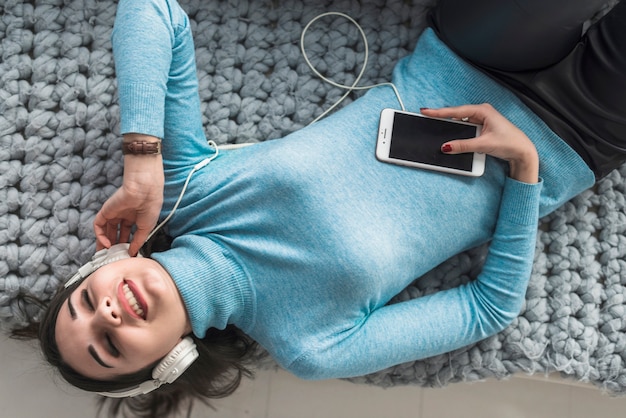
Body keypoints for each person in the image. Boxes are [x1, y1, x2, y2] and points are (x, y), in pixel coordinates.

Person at [12, 0, 625, 416]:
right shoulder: (311, 345)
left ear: (106, 264)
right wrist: (525, 172)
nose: (109, 314)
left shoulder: (186, 187)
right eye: (108, 347)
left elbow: (155, 11)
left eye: (89, 300)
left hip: (474, 55)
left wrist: (142, 153)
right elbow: (486, 310)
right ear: (168, 362)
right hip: (575, 138)